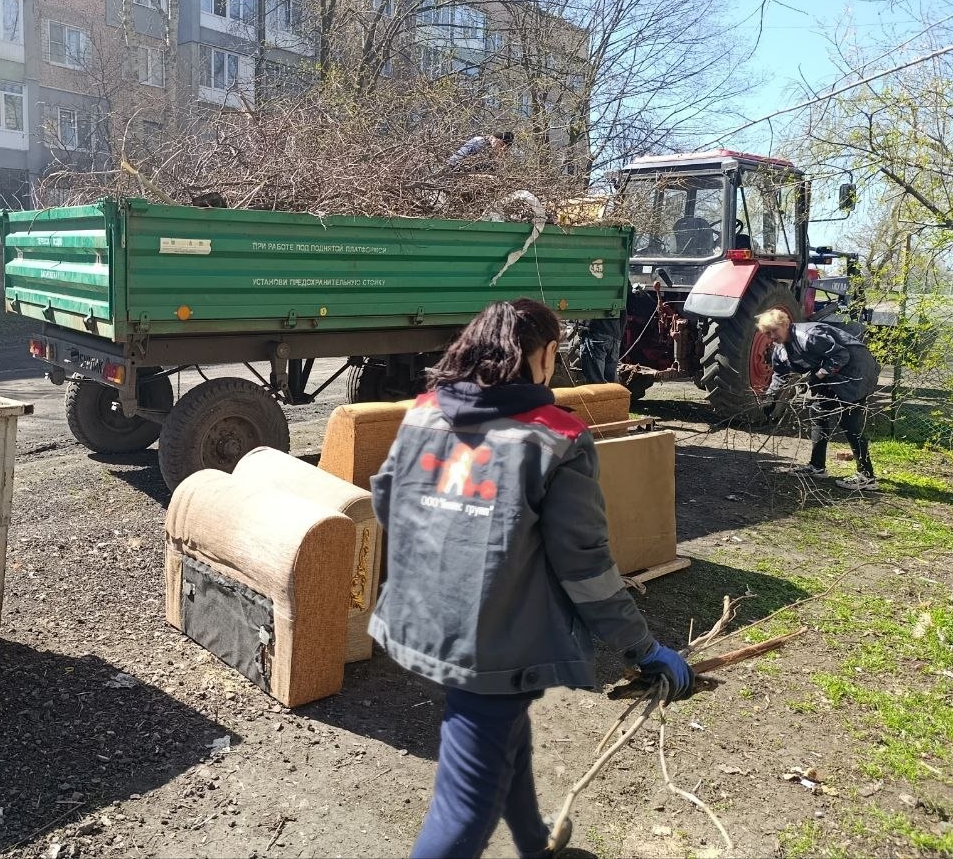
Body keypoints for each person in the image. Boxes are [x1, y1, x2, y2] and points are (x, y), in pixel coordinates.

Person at [369, 298, 694, 859]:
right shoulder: (557, 436)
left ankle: (532, 838)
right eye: (556, 353)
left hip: (422, 620)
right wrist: (644, 649)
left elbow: (387, 502)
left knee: (500, 727)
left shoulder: (423, 411)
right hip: (490, 645)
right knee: (463, 809)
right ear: (541, 356)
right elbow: (585, 564)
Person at [757, 308, 882, 491]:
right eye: (767, 333)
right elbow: (780, 373)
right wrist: (771, 397)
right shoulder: (780, 348)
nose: (771, 336)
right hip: (833, 374)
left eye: (774, 331)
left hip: (856, 372)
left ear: (785, 324)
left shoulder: (809, 335)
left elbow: (841, 355)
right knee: (818, 412)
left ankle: (867, 476)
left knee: (849, 421)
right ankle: (817, 466)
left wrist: (820, 374)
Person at [578, 314, 624, 384]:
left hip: (595, 333)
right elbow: (624, 314)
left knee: (596, 380)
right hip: (615, 335)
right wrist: (618, 337)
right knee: (612, 380)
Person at [445, 131, 514, 174]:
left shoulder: (484, 143)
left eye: (504, 149)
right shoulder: (481, 143)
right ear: (495, 139)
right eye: (501, 145)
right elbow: (473, 163)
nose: (501, 149)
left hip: (456, 169)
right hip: (454, 169)